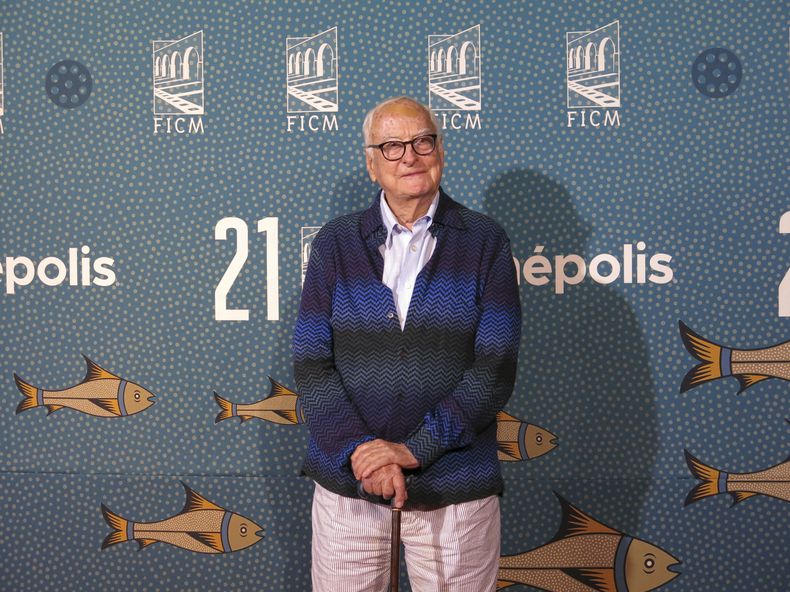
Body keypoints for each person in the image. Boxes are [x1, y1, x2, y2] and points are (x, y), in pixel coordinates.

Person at [293, 96, 521, 591]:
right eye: (392, 146)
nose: (410, 156)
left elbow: (495, 366)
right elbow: (311, 363)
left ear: (441, 150)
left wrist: (414, 450)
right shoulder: (335, 243)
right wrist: (362, 452)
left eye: (422, 141)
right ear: (371, 164)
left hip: (455, 493)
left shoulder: (485, 242)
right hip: (348, 488)